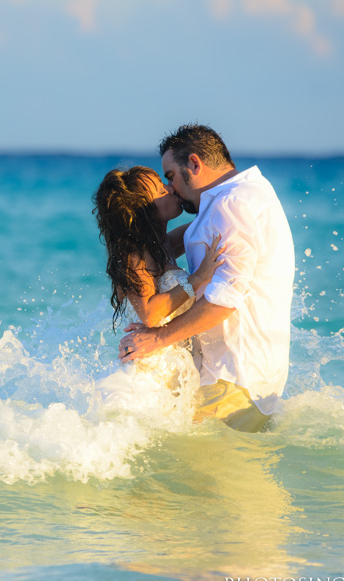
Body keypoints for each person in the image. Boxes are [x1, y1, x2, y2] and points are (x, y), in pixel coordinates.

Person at [118, 124, 295, 433]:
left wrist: (157, 338)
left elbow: (224, 301)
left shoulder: (231, 206)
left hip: (229, 380)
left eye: (170, 176)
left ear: (195, 164)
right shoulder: (237, 197)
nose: (170, 188)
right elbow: (162, 251)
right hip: (230, 379)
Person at [92, 166, 224, 406]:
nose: (170, 189)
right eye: (159, 190)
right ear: (144, 209)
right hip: (148, 377)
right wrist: (199, 277)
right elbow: (151, 314)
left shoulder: (163, 245)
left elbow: (206, 223)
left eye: (166, 183)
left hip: (172, 369)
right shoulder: (135, 254)